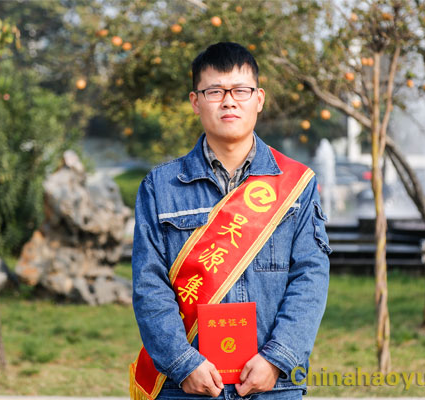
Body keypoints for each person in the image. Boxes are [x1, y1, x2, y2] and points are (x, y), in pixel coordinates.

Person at [130, 42, 331, 400]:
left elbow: (310, 277)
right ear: (195, 101)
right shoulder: (160, 187)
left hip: (274, 383)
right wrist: (183, 363)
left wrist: (277, 359)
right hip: (185, 384)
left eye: (240, 90)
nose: (228, 101)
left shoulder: (296, 184)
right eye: (215, 91)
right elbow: (149, 284)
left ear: (259, 98)